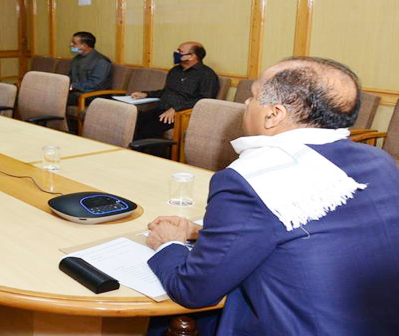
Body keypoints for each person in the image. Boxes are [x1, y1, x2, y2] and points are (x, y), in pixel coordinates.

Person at [145, 57, 399, 335]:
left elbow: (193, 290)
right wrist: (204, 232)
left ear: (273, 114)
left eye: (253, 96)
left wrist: (169, 243)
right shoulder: (379, 159)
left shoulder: (248, 179)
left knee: (158, 324)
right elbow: (322, 229)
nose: (246, 103)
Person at [131, 42, 219, 140]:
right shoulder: (175, 71)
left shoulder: (207, 75)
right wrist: (146, 94)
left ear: (192, 56)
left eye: (180, 51)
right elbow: (166, 92)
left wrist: (175, 109)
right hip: (161, 110)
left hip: (182, 115)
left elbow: (204, 100)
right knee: (134, 119)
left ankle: (152, 150)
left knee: (149, 129)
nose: (176, 53)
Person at [67, 31, 112, 106]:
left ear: (84, 46)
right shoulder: (76, 59)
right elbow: (70, 76)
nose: (71, 45)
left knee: (60, 98)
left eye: (74, 43)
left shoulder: (101, 61)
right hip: (77, 92)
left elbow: (95, 84)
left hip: (94, 95)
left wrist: (73, 86)